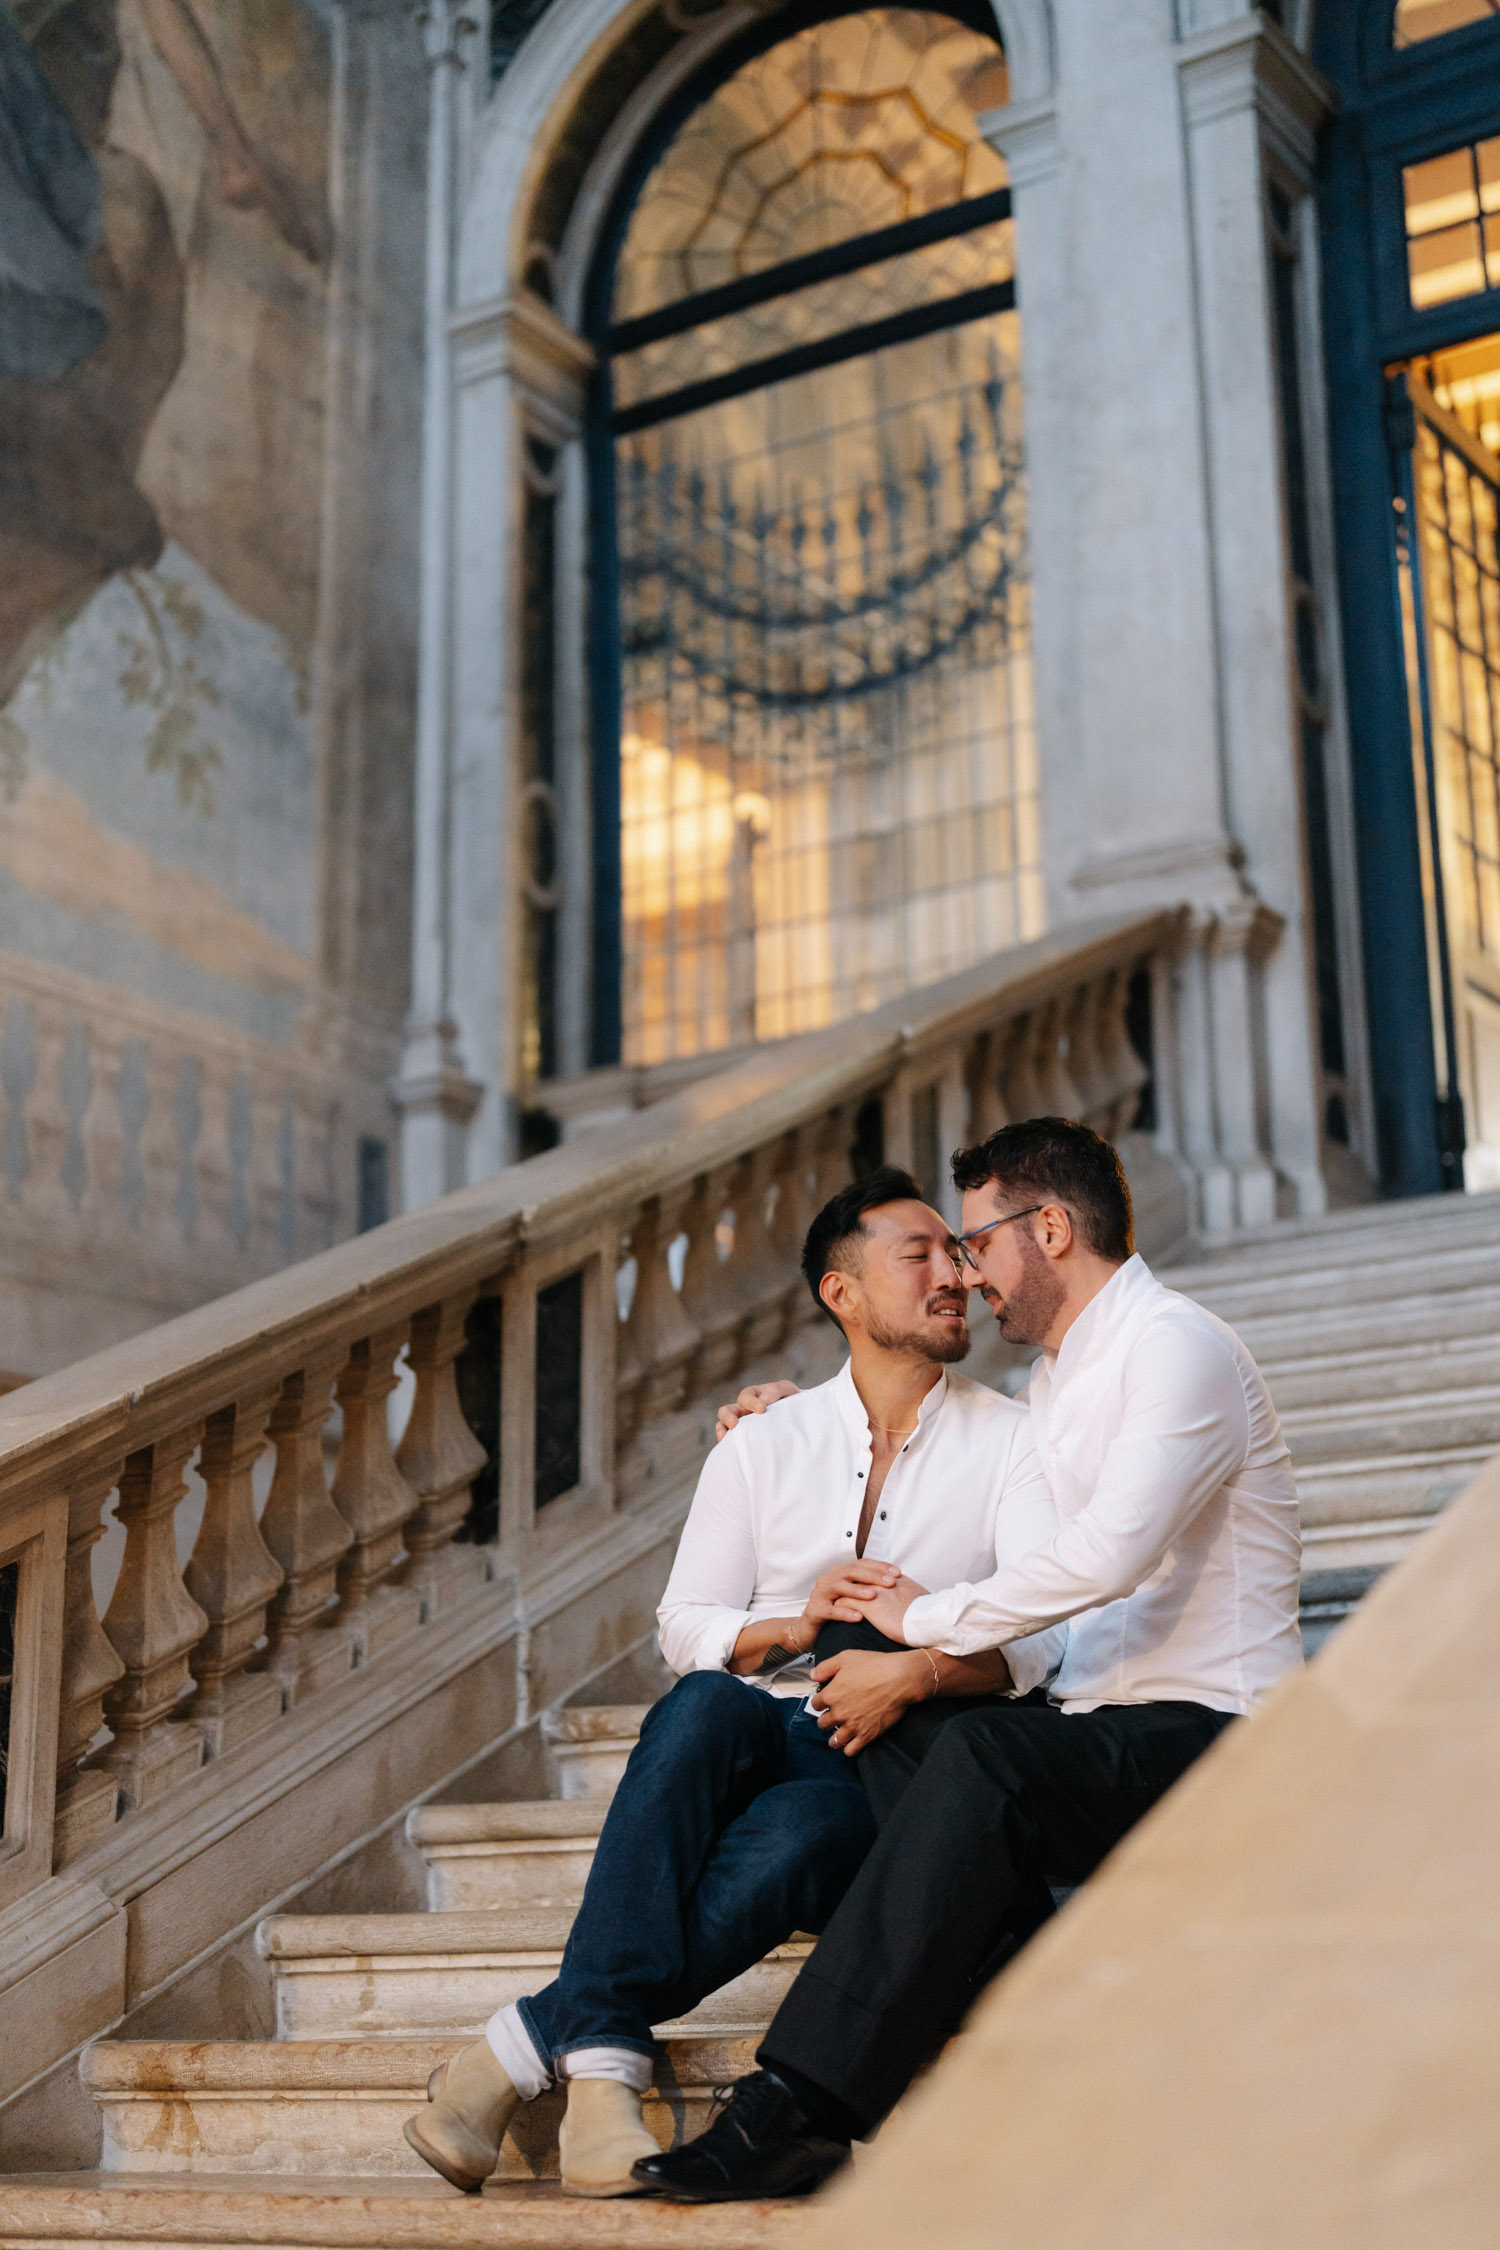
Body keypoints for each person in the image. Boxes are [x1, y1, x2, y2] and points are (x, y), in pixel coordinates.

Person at [634, 1115, 1303, 2203]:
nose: (966, 1273)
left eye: (977, 1243)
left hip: (1204, 1725)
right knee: (888, 1699)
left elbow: (1110, 1558)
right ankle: (1024, 1978)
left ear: (1049, 1228)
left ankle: (798, 2103)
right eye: (945, 1253)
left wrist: (923, 1626)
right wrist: (787, 1417)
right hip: (1089, 1723)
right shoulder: (1054, 1386)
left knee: (978, 1751)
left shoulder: (1178, 1347)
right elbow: (905, 1439)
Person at [402, 1165, 1060, 2199]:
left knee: (807, 1835)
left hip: (881, 1757)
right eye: (919, 1254)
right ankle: (589, 2057)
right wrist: (793, 1622)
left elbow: (1037, 1645)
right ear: (840, 1294)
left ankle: (539, 2057)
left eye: (958, 1253)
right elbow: (684, 1626)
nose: (956, 1274)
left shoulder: (1016, 1441)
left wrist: (917, 1671)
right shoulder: (766, 1440)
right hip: (758, 1727)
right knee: (704, 1701)